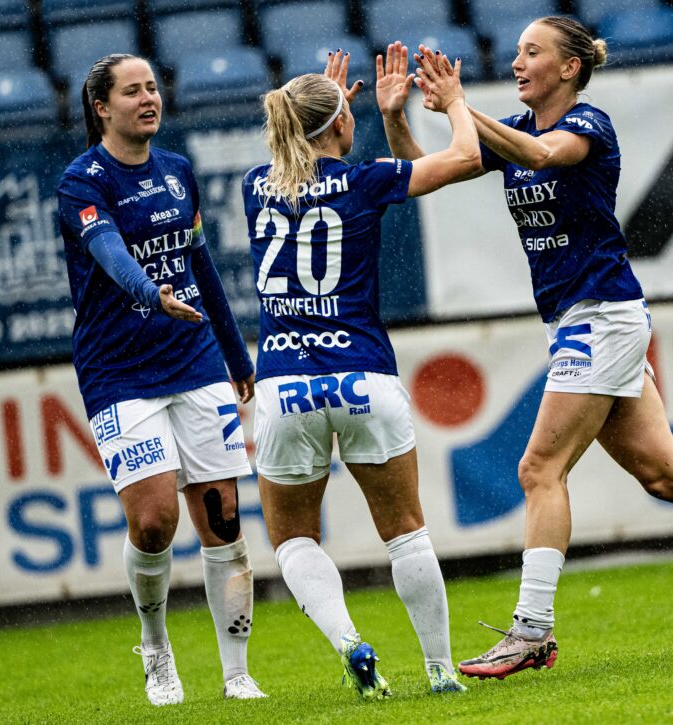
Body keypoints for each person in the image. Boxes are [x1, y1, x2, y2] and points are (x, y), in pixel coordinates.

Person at [404, 17, 673, 680]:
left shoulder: (589, 125)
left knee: (538, 468)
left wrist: (461, 106)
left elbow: (541, 157)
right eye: (518, 51)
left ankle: (532, 630)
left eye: (532, 52)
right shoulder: (518, 130)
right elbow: (427, 170)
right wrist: (399, 115)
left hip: (601, 318)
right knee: (666, 475)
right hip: (582, 322)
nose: (518, 62)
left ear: (570, 68)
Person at [241, 47, 478, 698]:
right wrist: (453, 103)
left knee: (293, 538)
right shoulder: (364, 181)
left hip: (285, 384)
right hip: (363, 376)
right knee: (405, 530)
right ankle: (440, 670)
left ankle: (351, 645)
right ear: (343, 123)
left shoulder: (254, 186)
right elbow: (465, 157)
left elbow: (299, 158)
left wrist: (325, 106)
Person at [56, 54, 266, 705]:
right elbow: (109, 252)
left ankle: (237, 674)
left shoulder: (177, 171)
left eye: (152, 87)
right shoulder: (82, 181)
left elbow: (202, 267)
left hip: (195, 360)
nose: (148, 98)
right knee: (153, 522)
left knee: (223, 519)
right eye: (132, 91)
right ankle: (156, 649)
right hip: (119, 370)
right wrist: (150, 294)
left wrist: (237, 356)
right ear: (102, 107)